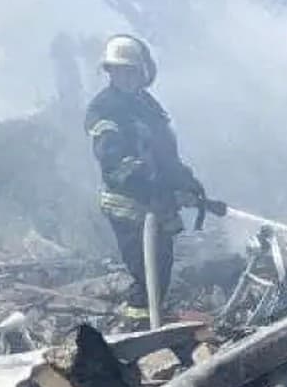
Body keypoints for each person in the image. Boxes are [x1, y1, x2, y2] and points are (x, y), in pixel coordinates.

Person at [84, 35, 205, 321]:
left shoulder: (147, 105)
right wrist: (147, 180)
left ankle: (154, 320)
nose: (125, 77)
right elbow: (112, 158)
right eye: (118, 71)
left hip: (154, 203)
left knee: (161, 267)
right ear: (109, 72)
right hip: (127, 204)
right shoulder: (105, 107)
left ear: (142, 72)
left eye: (130, 71)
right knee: (144, 270)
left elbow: (164, 153)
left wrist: (186, 182)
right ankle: (138, 331)